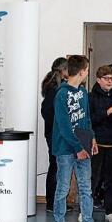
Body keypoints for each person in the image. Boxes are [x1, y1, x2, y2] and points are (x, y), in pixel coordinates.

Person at [51, 56, 107, 222]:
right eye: (87, 70)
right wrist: (77, 147)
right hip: (66, 148)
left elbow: (86, 119)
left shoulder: (83, 93)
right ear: (82, 71)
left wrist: (92, 140)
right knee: (63, 187)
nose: (87, 73)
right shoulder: (61, 94)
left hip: (83, 146)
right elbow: (64, 125)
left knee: (86, 188)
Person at [89, 66, 112, 222]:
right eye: (107, 78)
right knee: (93, 179)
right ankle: (86, 210)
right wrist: (106, 113)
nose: (110, 81)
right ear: (98, 80)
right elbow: (89, 119)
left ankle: (110, 210)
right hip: (96, 143)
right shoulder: (91, 97)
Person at [41, 57, 68, 213]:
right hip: (54, 133)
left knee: (56, 166)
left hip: (52, 132)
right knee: (56, 167)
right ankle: (52, 203)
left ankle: (55, 202)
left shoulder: (53, 86)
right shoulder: (55, 89)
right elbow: (47, 111)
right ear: (63, 70)